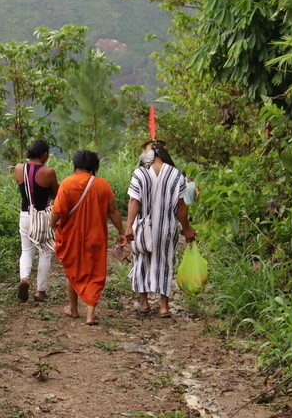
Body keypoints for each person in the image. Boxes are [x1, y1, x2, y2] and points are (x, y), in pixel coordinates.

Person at [50, 149, 125, 326]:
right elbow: (113, 210)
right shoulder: (102, 184)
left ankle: (74, 309)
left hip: (72, 236)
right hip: (96, 235)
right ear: (94, 166)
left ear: (75, 164)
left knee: (72, 270)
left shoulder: (67, 184)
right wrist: (121, 232)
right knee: (95, 272)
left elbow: (57, 211)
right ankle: (90, 314)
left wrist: (52, 226)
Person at [124, 139, 196, 318]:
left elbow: (134, 201)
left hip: (142, 228)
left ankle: (145, 303)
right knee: (165, 264)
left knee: (141, 262)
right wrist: (186, 229)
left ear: (149, 156)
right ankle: (164, 307)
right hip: (167, 228)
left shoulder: (140, 173)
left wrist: (128, 227)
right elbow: (181, 206)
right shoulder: (176, 175)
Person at [14, 139, 58, 302]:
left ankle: (24, 278)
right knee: (45, 251)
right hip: (41, 217)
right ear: (45, 154)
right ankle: (41, 291)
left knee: (26, 249)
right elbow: (56, 194)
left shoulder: (18, 169)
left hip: (25, 214)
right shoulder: (48, 172)